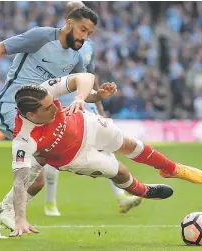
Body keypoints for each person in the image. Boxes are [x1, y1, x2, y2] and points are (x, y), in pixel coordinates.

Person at [8, 73, 202, 237]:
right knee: (120, 172)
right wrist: (20, 219)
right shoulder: (23, 140)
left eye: (53, 103)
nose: (55, 108)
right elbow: (19, 182)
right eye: (48, 108)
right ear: (32, 116)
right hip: (76, 158)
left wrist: (79, 98)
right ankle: (144, 191)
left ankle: (171, 168)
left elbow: (85, 76)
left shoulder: (43, 92)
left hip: (86, 124)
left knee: (129, 144)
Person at [0, 6, 99, 238]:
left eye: (89, 34)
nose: (85, 37)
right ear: (69, 24)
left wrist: (100, 95)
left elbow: (81, 86)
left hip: (38, 117)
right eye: (82, 30)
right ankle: (6, 214)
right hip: (12, 109)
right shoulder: (41, 37)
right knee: (33, 166)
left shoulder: (76, 56)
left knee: (37, 178)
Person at [43, 1, 141, 217]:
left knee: (104, 145)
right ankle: (50, 203)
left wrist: (99, 106)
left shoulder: (88, 45)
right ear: (69, 18)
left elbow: (91, 76)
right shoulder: (53, 42)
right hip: (60, 103)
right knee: (54, 151)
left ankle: (122, 196)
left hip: (84, 103)